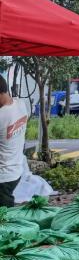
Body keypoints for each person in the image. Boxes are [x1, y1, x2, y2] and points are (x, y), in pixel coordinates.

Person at [0, 75, 29, 207]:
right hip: (16, 171)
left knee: (5, 221)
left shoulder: (2, 116)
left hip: (3, 177)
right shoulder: (21, 104)